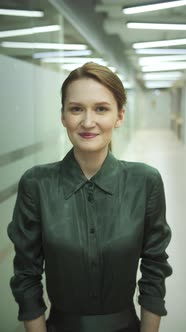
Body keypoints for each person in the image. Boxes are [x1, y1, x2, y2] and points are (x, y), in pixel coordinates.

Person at [7, 62, 172, 332]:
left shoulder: (145, 181)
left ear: (119, 116)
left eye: (101, 109)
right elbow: (26, 274)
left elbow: (155, 266)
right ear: (63, 116)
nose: (87, 122)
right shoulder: (36, 184)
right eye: (76, 109)